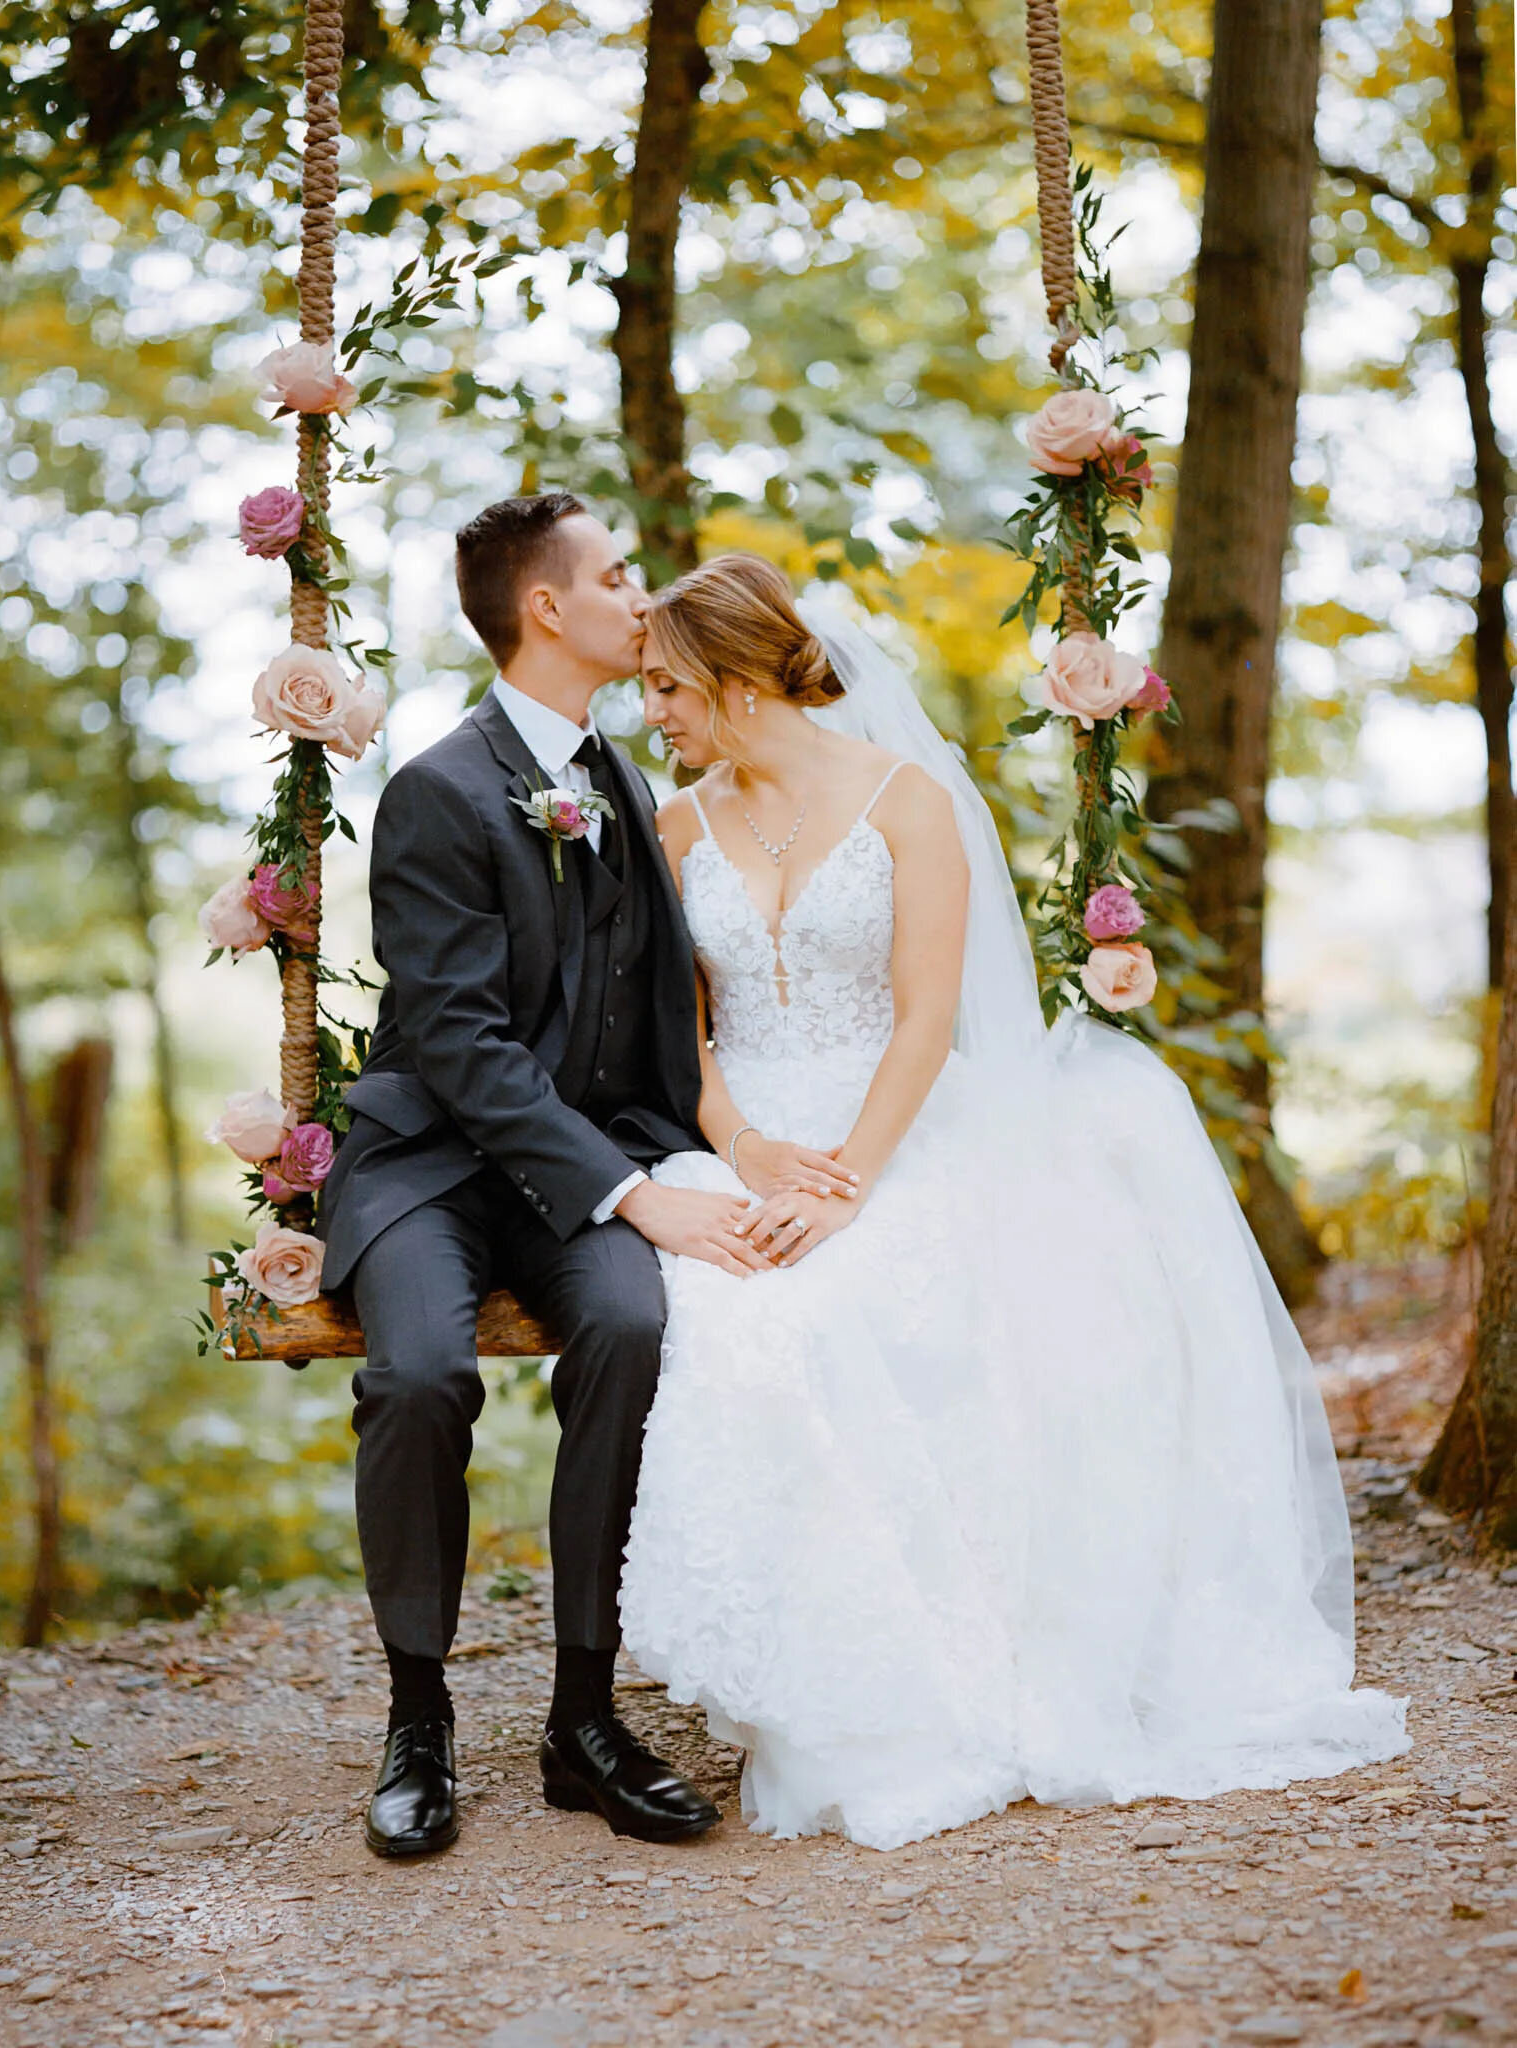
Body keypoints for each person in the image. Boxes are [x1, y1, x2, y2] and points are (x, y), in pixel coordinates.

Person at [617, 553, 1410, 1852]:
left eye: (666, 686)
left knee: (885, 1297)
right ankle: (820, 1680)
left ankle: (943, 1675)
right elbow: (683, 1038)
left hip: (898, 1128)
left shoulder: (905, 800)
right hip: (750, 1142)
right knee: (736, 1325)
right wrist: (750, 1149)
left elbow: (928, 1015)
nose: (653, 711)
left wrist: (850, 1184)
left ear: (739, 675)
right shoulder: (677, 825)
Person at [316, 495, 781, 1857]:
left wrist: (724, 1150)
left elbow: (657, 1010)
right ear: (546, 609)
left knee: (634, 1327)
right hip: (434, 1172)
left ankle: (584, 1719)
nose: (645, 598)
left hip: (584, 1169)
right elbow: (457, 1045)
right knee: (416, 1375)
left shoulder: (622, 778)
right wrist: (638, 1198)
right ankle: (418, 1721)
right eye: (619, 575)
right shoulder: (437, 790)